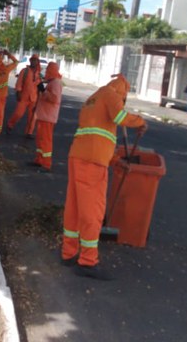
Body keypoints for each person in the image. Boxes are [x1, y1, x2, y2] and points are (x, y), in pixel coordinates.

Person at [61, 74, 147, 280]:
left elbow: (100, 135)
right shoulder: (111, 95)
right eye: (124, 99)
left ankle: (68, 252)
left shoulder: (94, 97)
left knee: (74, 207)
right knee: (93, 211)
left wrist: (115, 158)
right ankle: (88, 262)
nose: (123, 102)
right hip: (92, 162)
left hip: (79, 156)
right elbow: (120, 117)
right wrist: (140, 122)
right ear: (123, 92)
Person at [31, 62, 63, 171]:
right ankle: (39, 160)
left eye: (48, 69)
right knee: (40, 139)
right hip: (44, 115)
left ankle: (46, 163)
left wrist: (43, 90)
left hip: (48, 117)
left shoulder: (56, 83)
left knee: (45, 140)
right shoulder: (53, 82)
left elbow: (54, 99)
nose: (46, 71)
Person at [6, 55, 42, 138]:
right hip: (23, 97)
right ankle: (10, 125)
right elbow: (19, 83)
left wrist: (39, 99)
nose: (33, 62)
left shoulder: (38, 74)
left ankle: (29, 132)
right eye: (32, 60)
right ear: (30, 61)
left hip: (34, 98)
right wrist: (18, 93)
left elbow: (39, 87)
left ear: (37, 62)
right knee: (18, 114)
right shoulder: (24, 71)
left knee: (32, 117)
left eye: (35, 60)